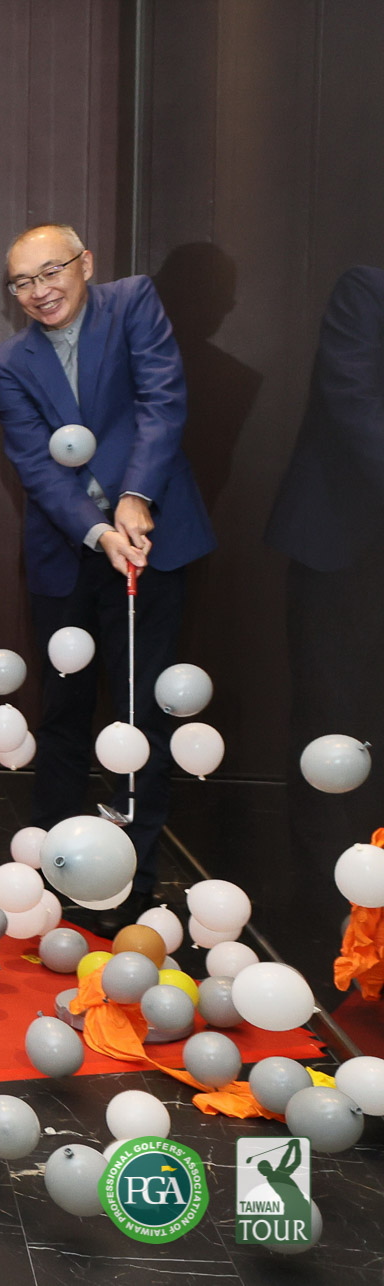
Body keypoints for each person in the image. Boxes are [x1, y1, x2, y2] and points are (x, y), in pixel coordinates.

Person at [0, 225, 214, 933]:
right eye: (22, 282)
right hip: (68, 552)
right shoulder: (5, 362)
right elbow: (36, 463)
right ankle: (53, 867)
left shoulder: (134, 302)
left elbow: (162, 403)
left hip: (151, 543)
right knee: (63, 710)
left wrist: (135, 498)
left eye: (51, 271)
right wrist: (97, 529)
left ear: (85, 263)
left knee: (141, 714)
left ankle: (126, 882)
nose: (39, 291)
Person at [266, 264, 384, 999]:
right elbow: (354, 402)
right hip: (345, 551)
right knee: (332, 730)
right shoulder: (367, 289)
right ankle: (328, 911)